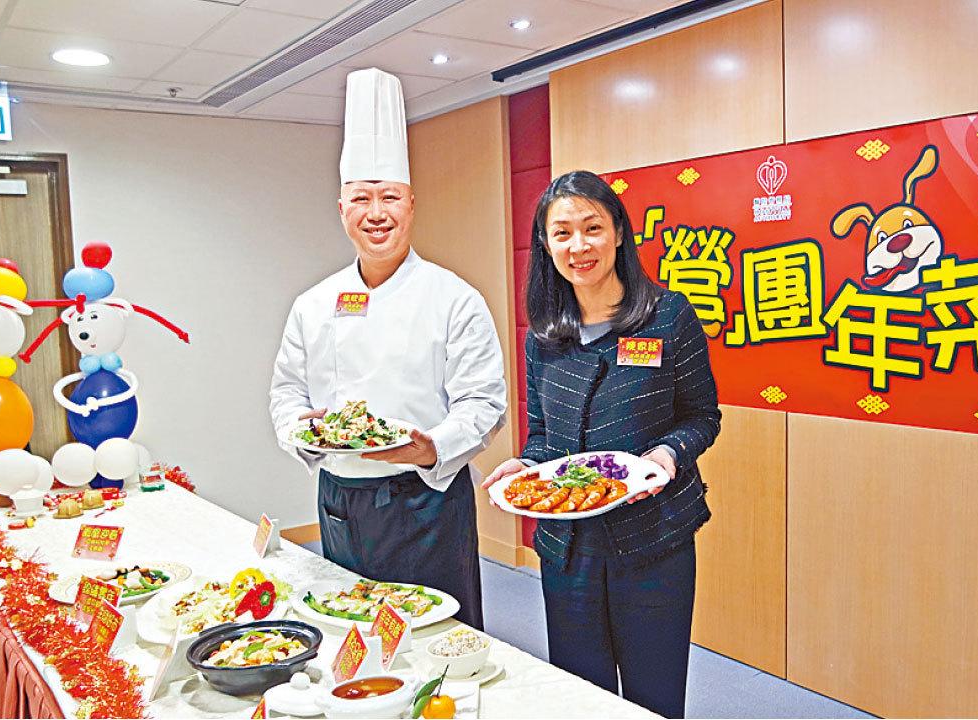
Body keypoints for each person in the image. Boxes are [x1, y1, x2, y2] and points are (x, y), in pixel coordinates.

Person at [269, 69, 506, 630]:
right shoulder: (313, 302)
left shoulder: (455, 298)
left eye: (389, 197)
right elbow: (285, 391)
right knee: (347, 629)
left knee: (435, 636)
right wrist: (300, 426)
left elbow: (484, 404)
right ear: (341, 206)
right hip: (340, 498)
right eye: (361, 198)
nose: (376, 213)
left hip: (425, 500)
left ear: (411, 203)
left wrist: (431, 448)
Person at [482, 171, 721, 717]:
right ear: (546, 244)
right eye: (562, 232)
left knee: (654, 696)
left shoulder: (668, 316)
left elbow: (702, 416)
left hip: (653, 538)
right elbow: (543, 437)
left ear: (618, 232)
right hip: (568, 547)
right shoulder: (543, 333)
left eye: (592, 228)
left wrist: (667, 455)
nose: (578, 245)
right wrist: (525, 465)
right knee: (578, 697)